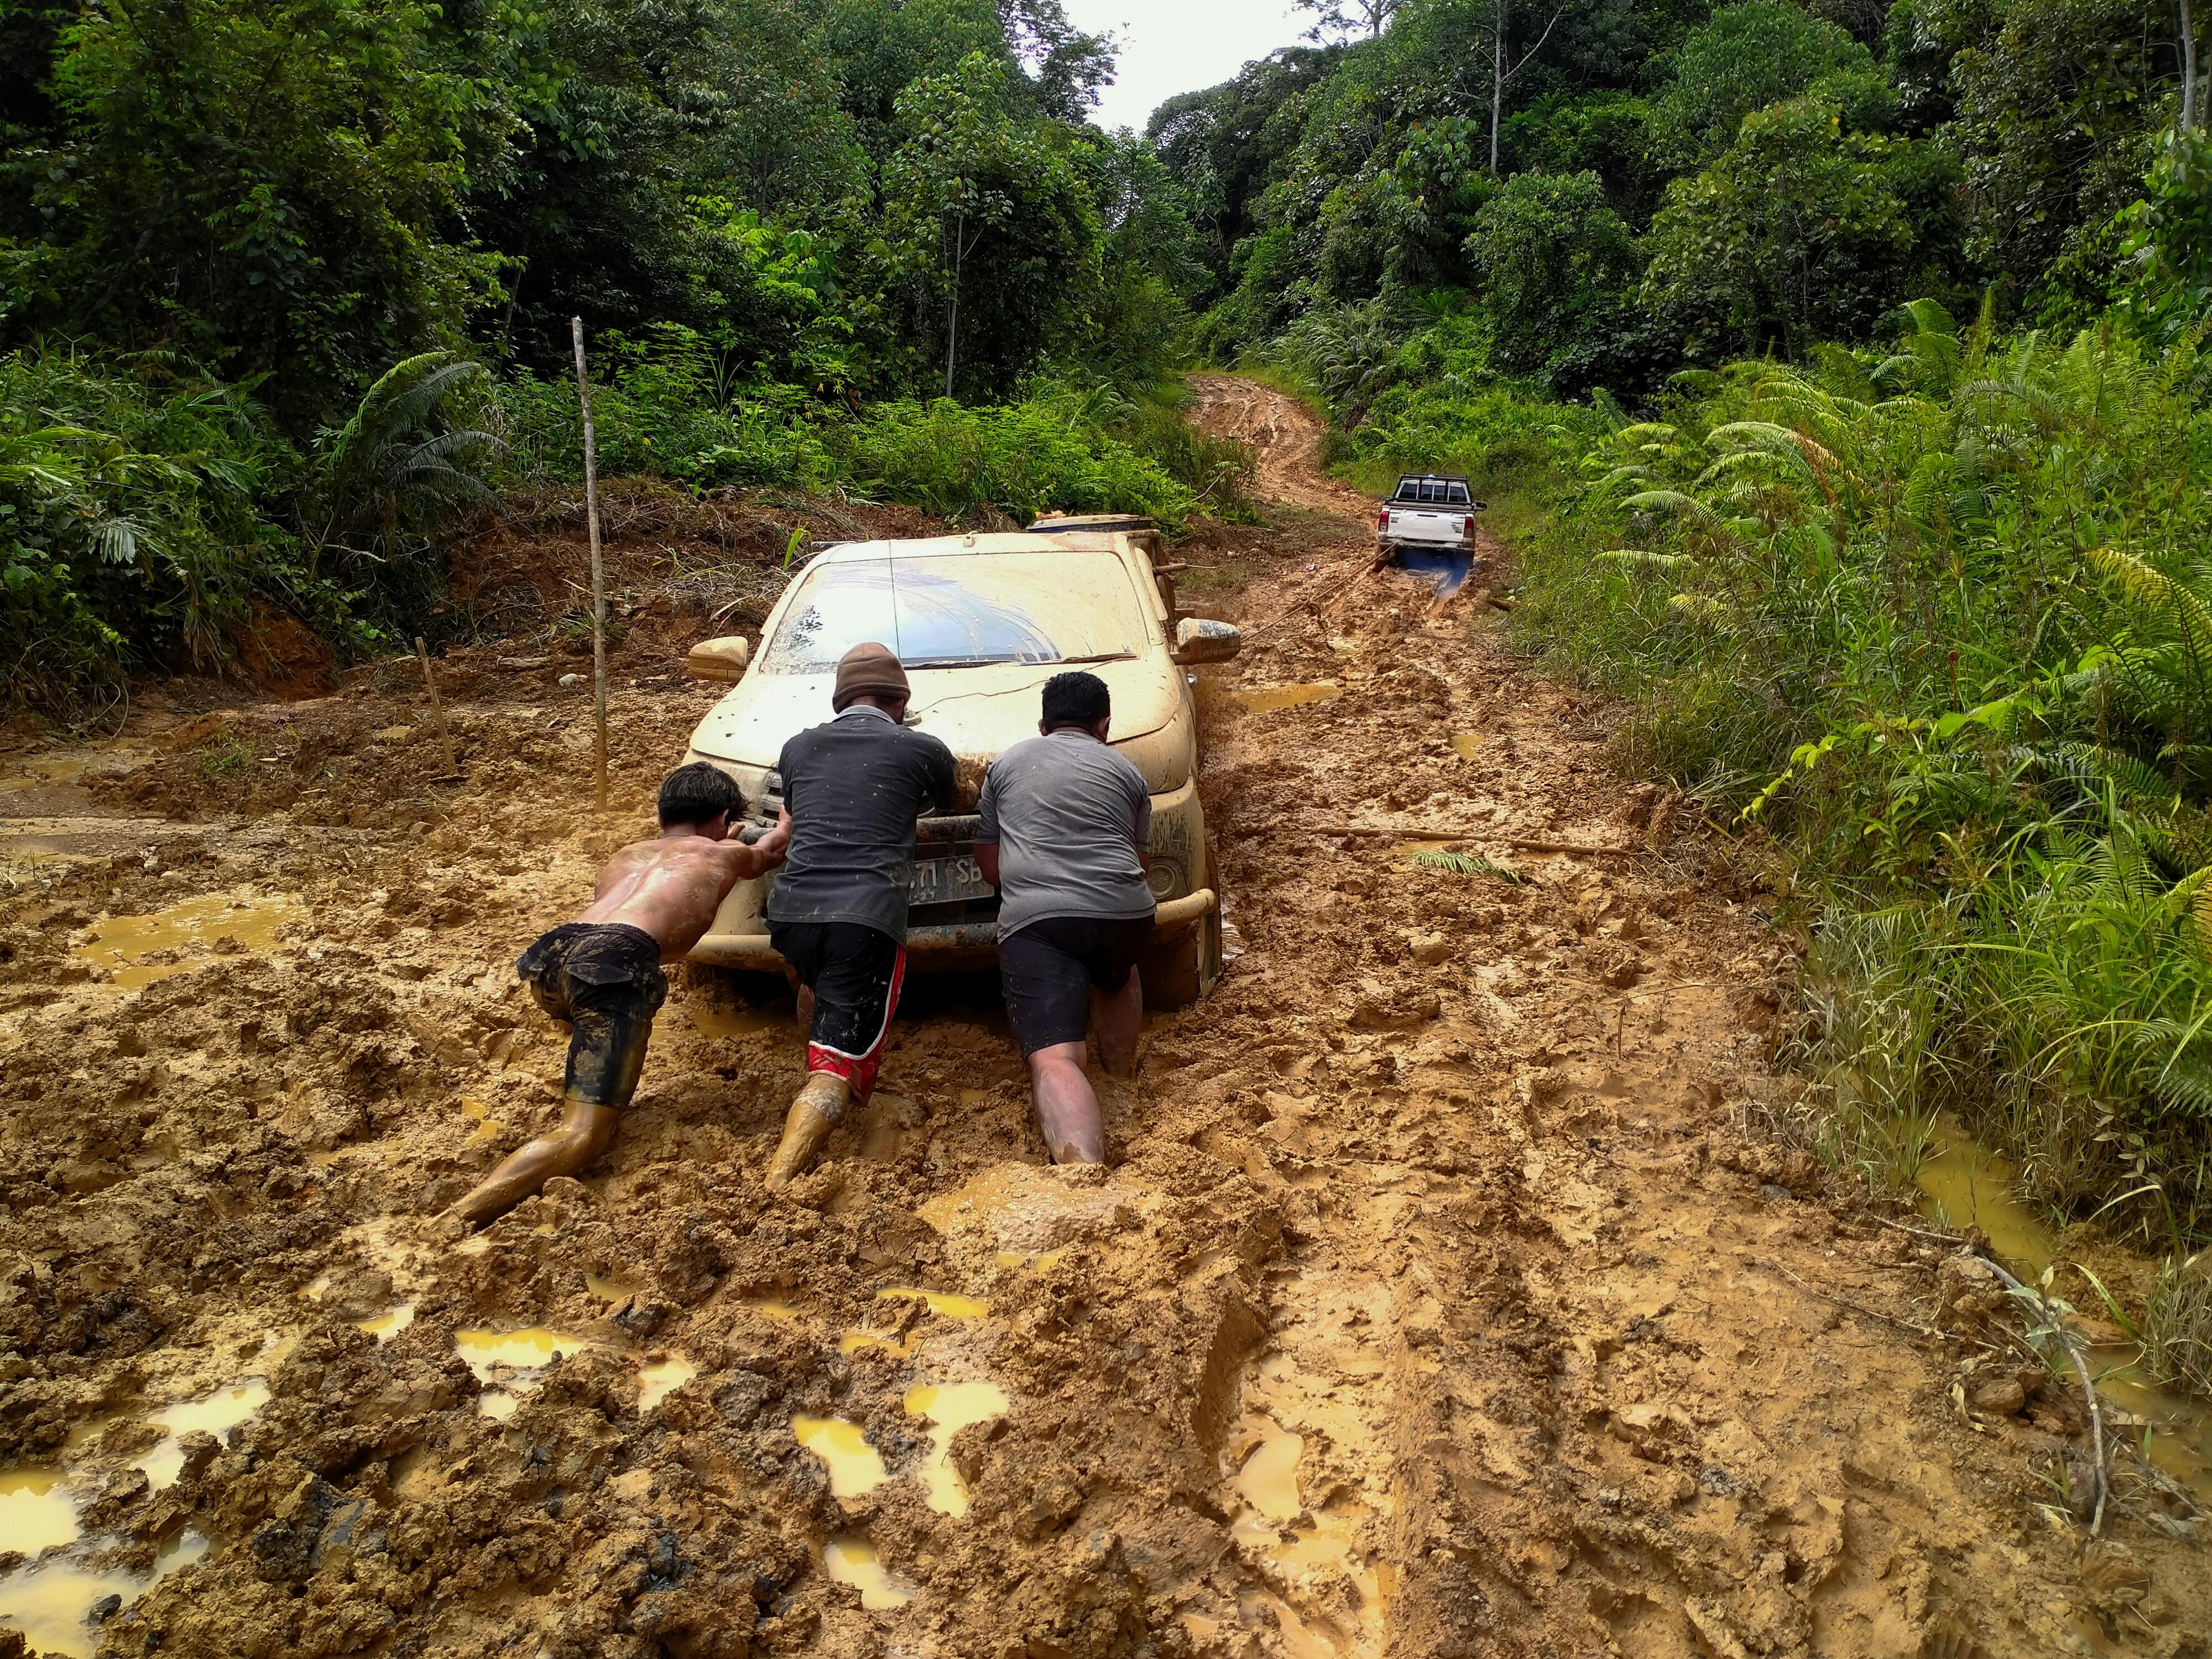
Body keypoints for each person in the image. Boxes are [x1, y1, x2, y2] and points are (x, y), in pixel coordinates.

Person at [448, 762, 788, 1229]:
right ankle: (458, 1218)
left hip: (550, 958)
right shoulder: (722, 854)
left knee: (590, 1014)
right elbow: (771, 851)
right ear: (723, 818)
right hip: (614, 964)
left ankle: (592, 1072)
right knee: (582, 1138)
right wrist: (784, 823)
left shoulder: (626, 854)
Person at [764, 641, 957, 1188]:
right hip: (865, 917)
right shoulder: (921, 748)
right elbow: (953, 797)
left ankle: (823, 1048)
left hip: (791, 912)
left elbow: (806, 812)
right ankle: (777, 1182)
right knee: (835, 1072)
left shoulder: (797, 748)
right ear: (900, 702)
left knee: (819, 990)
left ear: (840, 700)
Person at [974, 670, 1155, 1164]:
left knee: (1057, 1059)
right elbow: (1138, 867)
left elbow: (992, 871)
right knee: (1117, 977)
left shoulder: (1007, 764)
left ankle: (1083, 1174)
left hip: (1042, 920)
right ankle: (1120, 1080)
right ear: (1105, 726)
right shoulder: (1128, 773)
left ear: (1042, 725)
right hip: (1128, 916)